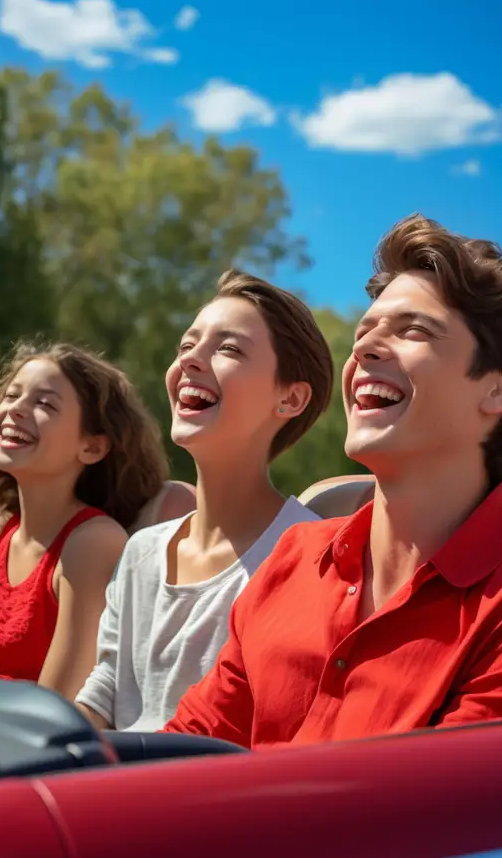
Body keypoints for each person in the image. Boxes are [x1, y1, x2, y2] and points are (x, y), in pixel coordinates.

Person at [161, 213, 502, 750]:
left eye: (413, 331)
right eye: (365, 332)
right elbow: (190, 750)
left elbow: (434, 822)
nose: (363, 349)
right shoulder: (292, 559)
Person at [75, 269, 334, 731]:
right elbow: (107, 687)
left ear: (290, 398)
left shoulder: (310, 557)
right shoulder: (141, 551)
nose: (191, 360)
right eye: (186, 345)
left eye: (229, 348)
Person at [0, 341, 195, 701]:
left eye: (44, 403)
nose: (15, 409)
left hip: (28, 743)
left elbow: (56, 704)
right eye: (11, 396)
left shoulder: (91, 542)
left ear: (92, 447)